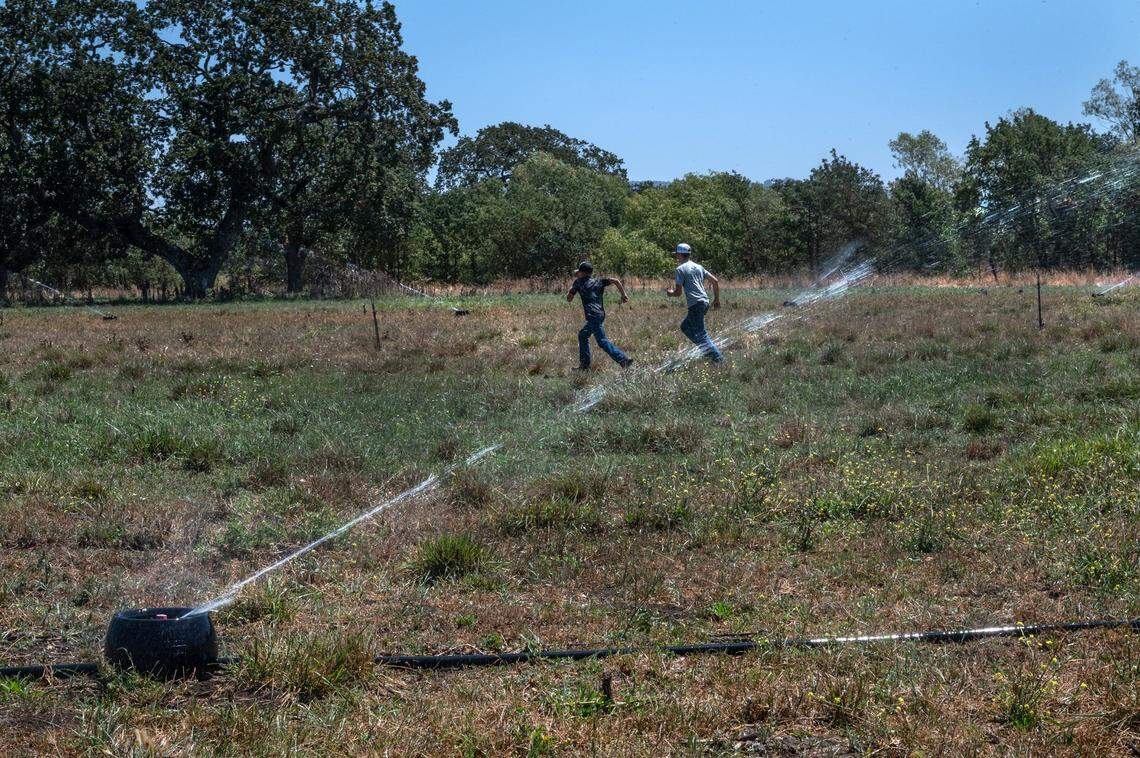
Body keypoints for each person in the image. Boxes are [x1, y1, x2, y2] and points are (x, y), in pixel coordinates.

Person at [567, 261, 634, 370]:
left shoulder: (578, 283)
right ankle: (584, 365)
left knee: (602, 341)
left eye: (579, 272)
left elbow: (569, 299)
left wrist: (571, 289)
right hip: (600, 314)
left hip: (592, 315)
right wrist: (624, 295)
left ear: (581, 272)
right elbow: (616, 281)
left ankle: (623, 360)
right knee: (583, 335)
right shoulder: (598, 281)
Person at [665, 243, 724, 362]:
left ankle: (718, 359)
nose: (676, 256)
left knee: (701, 334)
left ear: (680, 254)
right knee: (685, 327)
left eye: (677, 254)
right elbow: (715, 281)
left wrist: (670, 293)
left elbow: (678, 293)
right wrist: (716, 299)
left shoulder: (680, 269)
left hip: (696, 304)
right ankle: (706, 350)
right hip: (704, 302)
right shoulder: (699, 267)